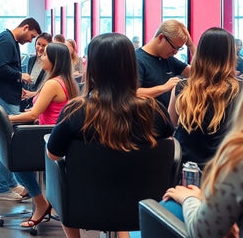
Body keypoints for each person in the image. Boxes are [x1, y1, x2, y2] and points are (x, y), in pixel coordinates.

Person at [46, 33, 174, 238]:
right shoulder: (154, 111)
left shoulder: (76, 111)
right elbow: (168, 147)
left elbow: (53, 154)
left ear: (93, 68)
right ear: (131, 67)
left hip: (85, 206)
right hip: (142, 208)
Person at [8, 43, 79, 227]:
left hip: (50, 138)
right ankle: (38, 197)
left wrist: (9, 117)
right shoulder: (67, 81)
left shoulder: (53, 84)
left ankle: (40, 203)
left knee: (15, 158)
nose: (41, 58)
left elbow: (33, 114)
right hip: (57, 137)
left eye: (45, 55)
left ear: (54, 60)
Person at [162, 92, 243, 238]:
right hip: (210, 182)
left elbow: (202, 233)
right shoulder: (235, 90)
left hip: (191, 176)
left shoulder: (238, 157)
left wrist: (190, 199)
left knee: (167, 206)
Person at [0, 17, 42, 201]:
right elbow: (0, 68)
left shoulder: (9, 41)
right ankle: (2, 188)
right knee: (7, 142)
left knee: (7, 140)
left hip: (6, 94)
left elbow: (4, 70)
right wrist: (21, 75)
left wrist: (19, 87)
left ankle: (8, 183)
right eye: (32, 36)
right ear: (25, 27)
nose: (31, 41)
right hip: (2, 97)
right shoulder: (7, 41)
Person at [168, 27, 241, 168]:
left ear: (200, 54)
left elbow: (171, 124)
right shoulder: (240, 90)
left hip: (186, 171)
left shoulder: (182, 87)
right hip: (223, 173)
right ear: (231, 56)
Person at [136, 19, 196, 108]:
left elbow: (198, 72)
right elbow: (132, 93)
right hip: (148, 119)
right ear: (161, 38)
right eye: (174, 47)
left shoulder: (168, 58)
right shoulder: (137, 60)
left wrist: (190, 45)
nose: (175, 52)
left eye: (179, 49)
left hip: (167, 119)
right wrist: (164, 88)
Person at [21, 32, 51, 111]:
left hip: (41, 102)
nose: (40, 48)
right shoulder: (31, 59)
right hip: (28, 100)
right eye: (38, 44)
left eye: (44, 45)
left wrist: (34, 94)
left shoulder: (50, 64)